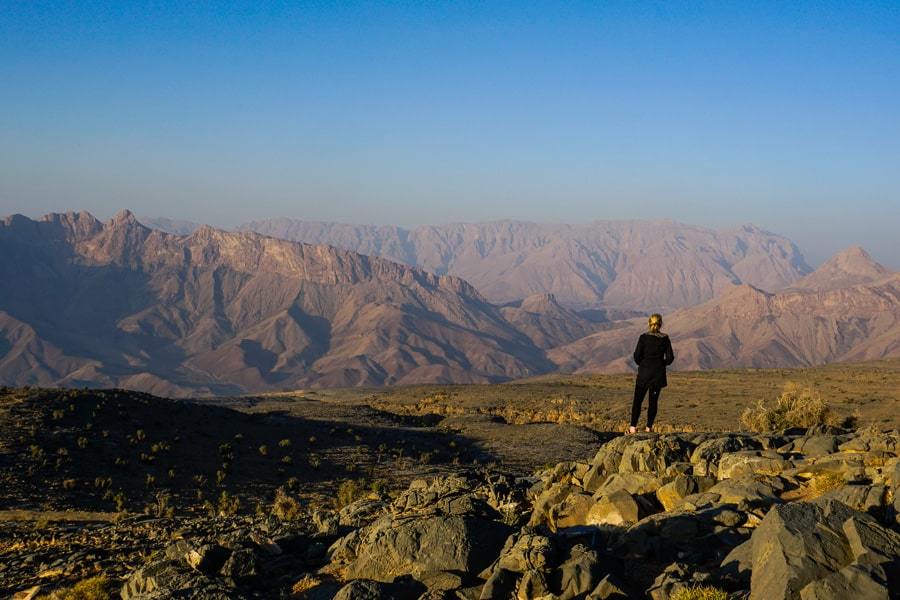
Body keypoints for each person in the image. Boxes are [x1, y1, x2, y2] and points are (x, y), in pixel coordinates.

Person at [630, 313, 674, 433]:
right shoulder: (665, 339)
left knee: (637, 401)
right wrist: (661, 364)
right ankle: (649, 428)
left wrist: (643, 364)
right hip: (657, 375)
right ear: (660, 324)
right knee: (653, 402)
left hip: (644, 374)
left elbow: (636, 355)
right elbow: (670, 358)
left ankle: (633, 427)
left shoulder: (643, 337)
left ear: (649, 323)